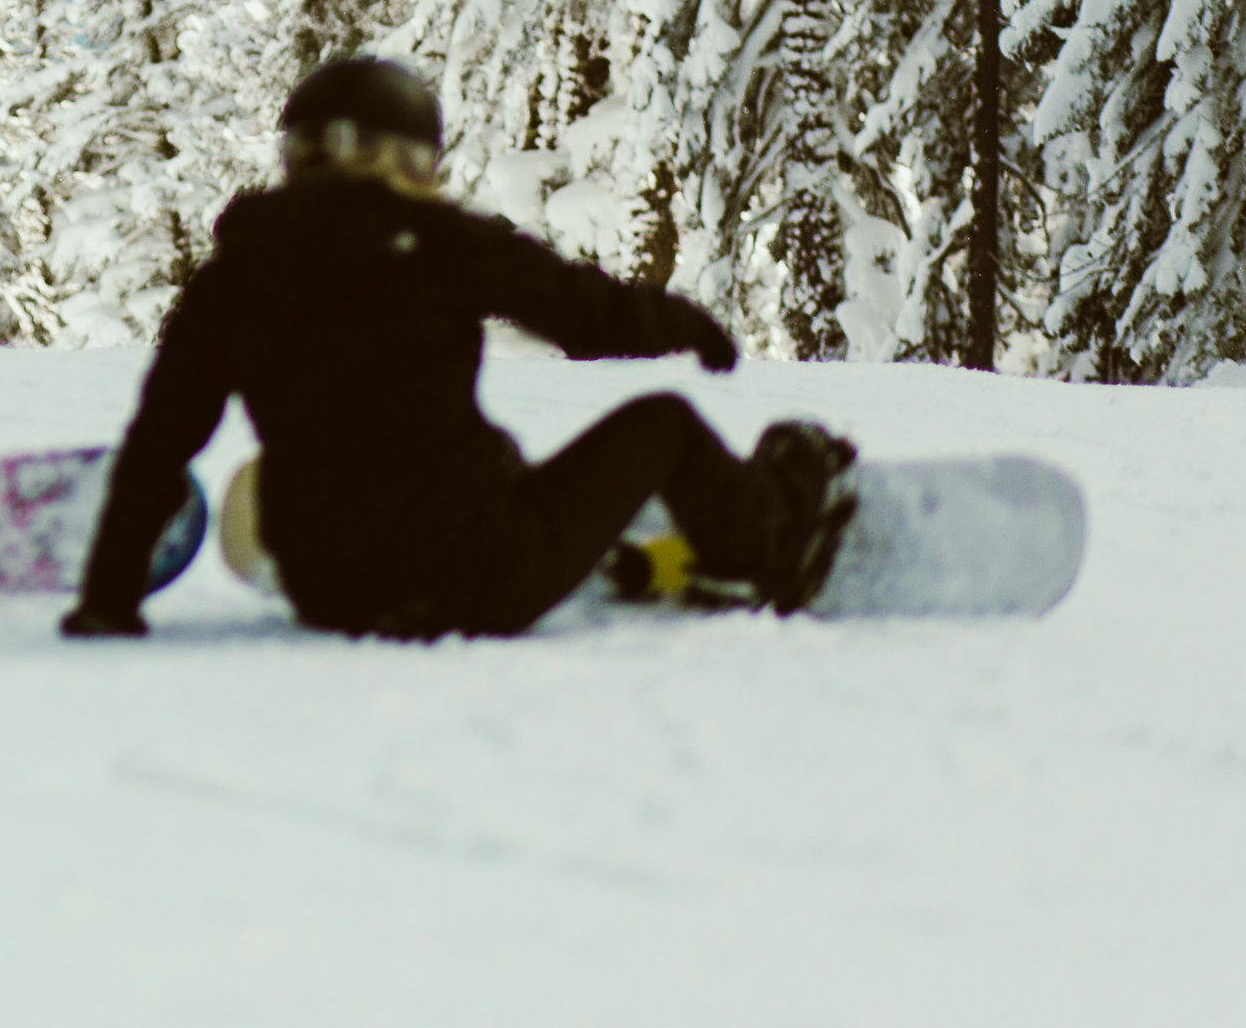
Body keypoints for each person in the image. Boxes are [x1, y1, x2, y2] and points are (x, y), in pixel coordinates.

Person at [63, 56, 857, 641]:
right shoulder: (446, 244)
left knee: (412, 456)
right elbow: (590, 316)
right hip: (481, 575)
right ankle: (760, 548)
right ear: (407, 156)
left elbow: (160, 444)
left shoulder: (231, 281)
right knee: (667, 424)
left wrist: (109, 597)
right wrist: (692, 328)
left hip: (327, 592)